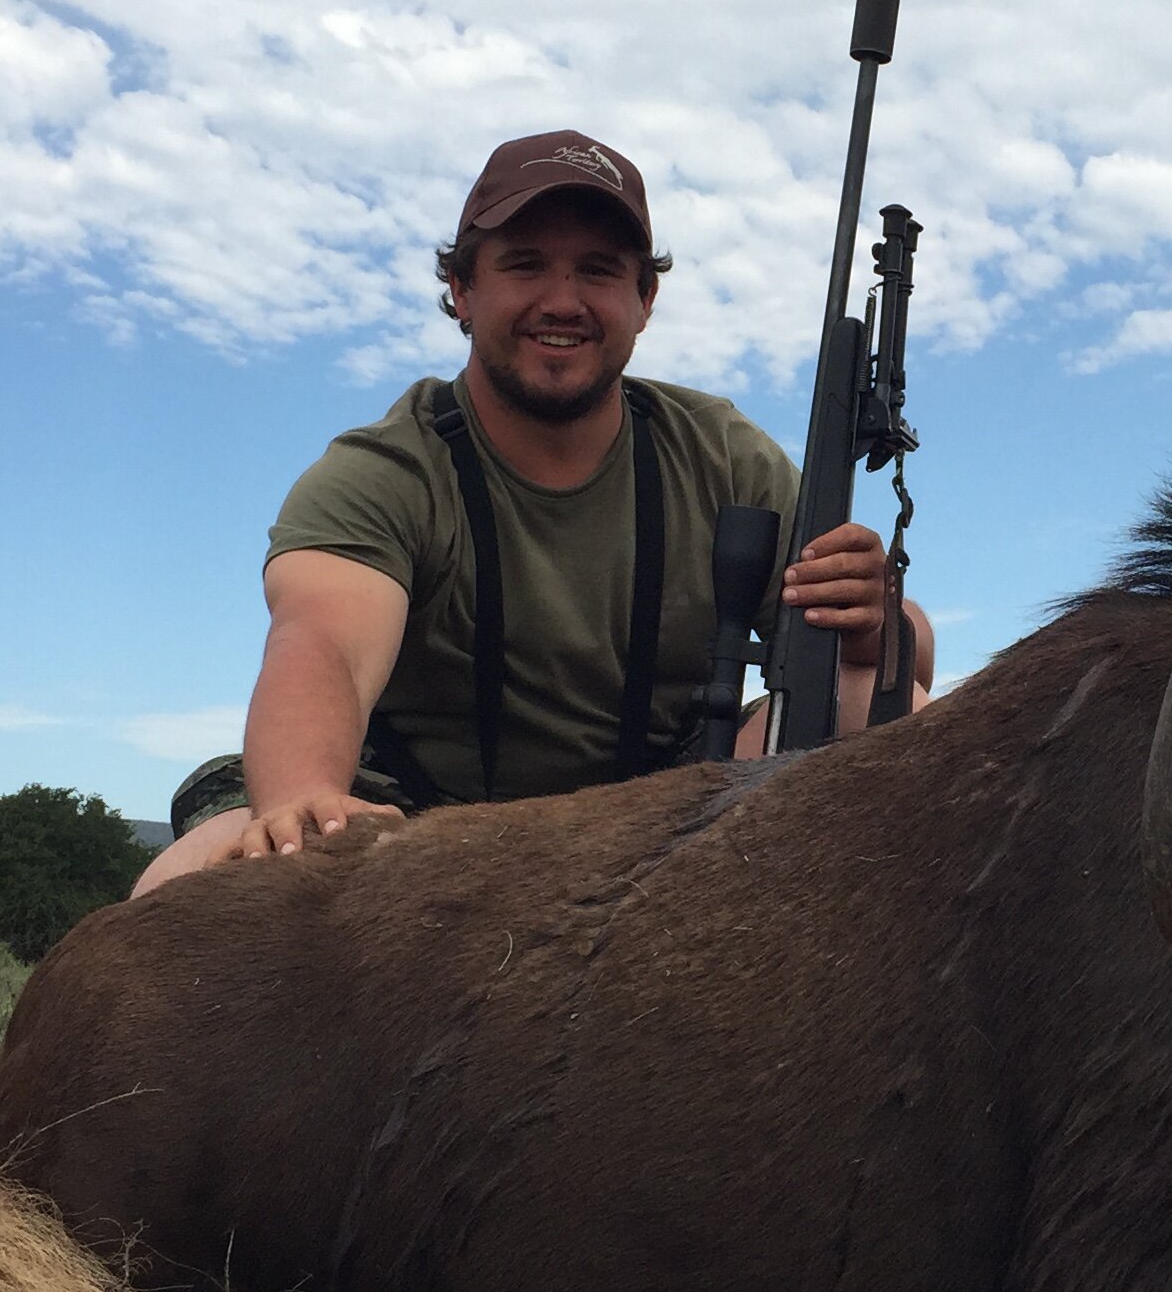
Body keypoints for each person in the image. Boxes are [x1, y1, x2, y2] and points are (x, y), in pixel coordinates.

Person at [137, 130, 931, 895]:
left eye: (598, 271)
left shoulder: (721, 452)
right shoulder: (383, 470)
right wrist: (303, 796)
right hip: (412, 811)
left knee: (874, 703)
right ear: (463, 291)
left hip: (669, 799)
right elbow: (324, 645)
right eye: (524, 266)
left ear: (644, 300)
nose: (563, 301)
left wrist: (872, 621)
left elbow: (901, 656)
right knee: (191, 880)